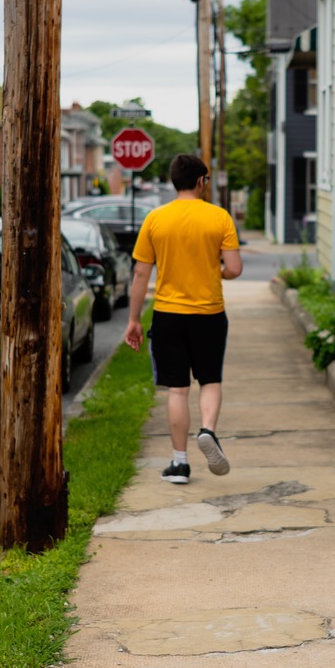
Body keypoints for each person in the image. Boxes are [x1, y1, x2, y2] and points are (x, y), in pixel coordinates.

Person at [124, 153, 243, 484]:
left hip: (168, 315)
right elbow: (234, 268)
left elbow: (140, 274)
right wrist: (217, 271)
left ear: (174, 181)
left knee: (177, 391)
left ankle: (179, 464)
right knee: (210, 380)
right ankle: (208, 430)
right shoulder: (219, 217)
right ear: (201, 181)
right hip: (209, 314)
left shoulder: (155, 219)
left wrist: (134, 320)